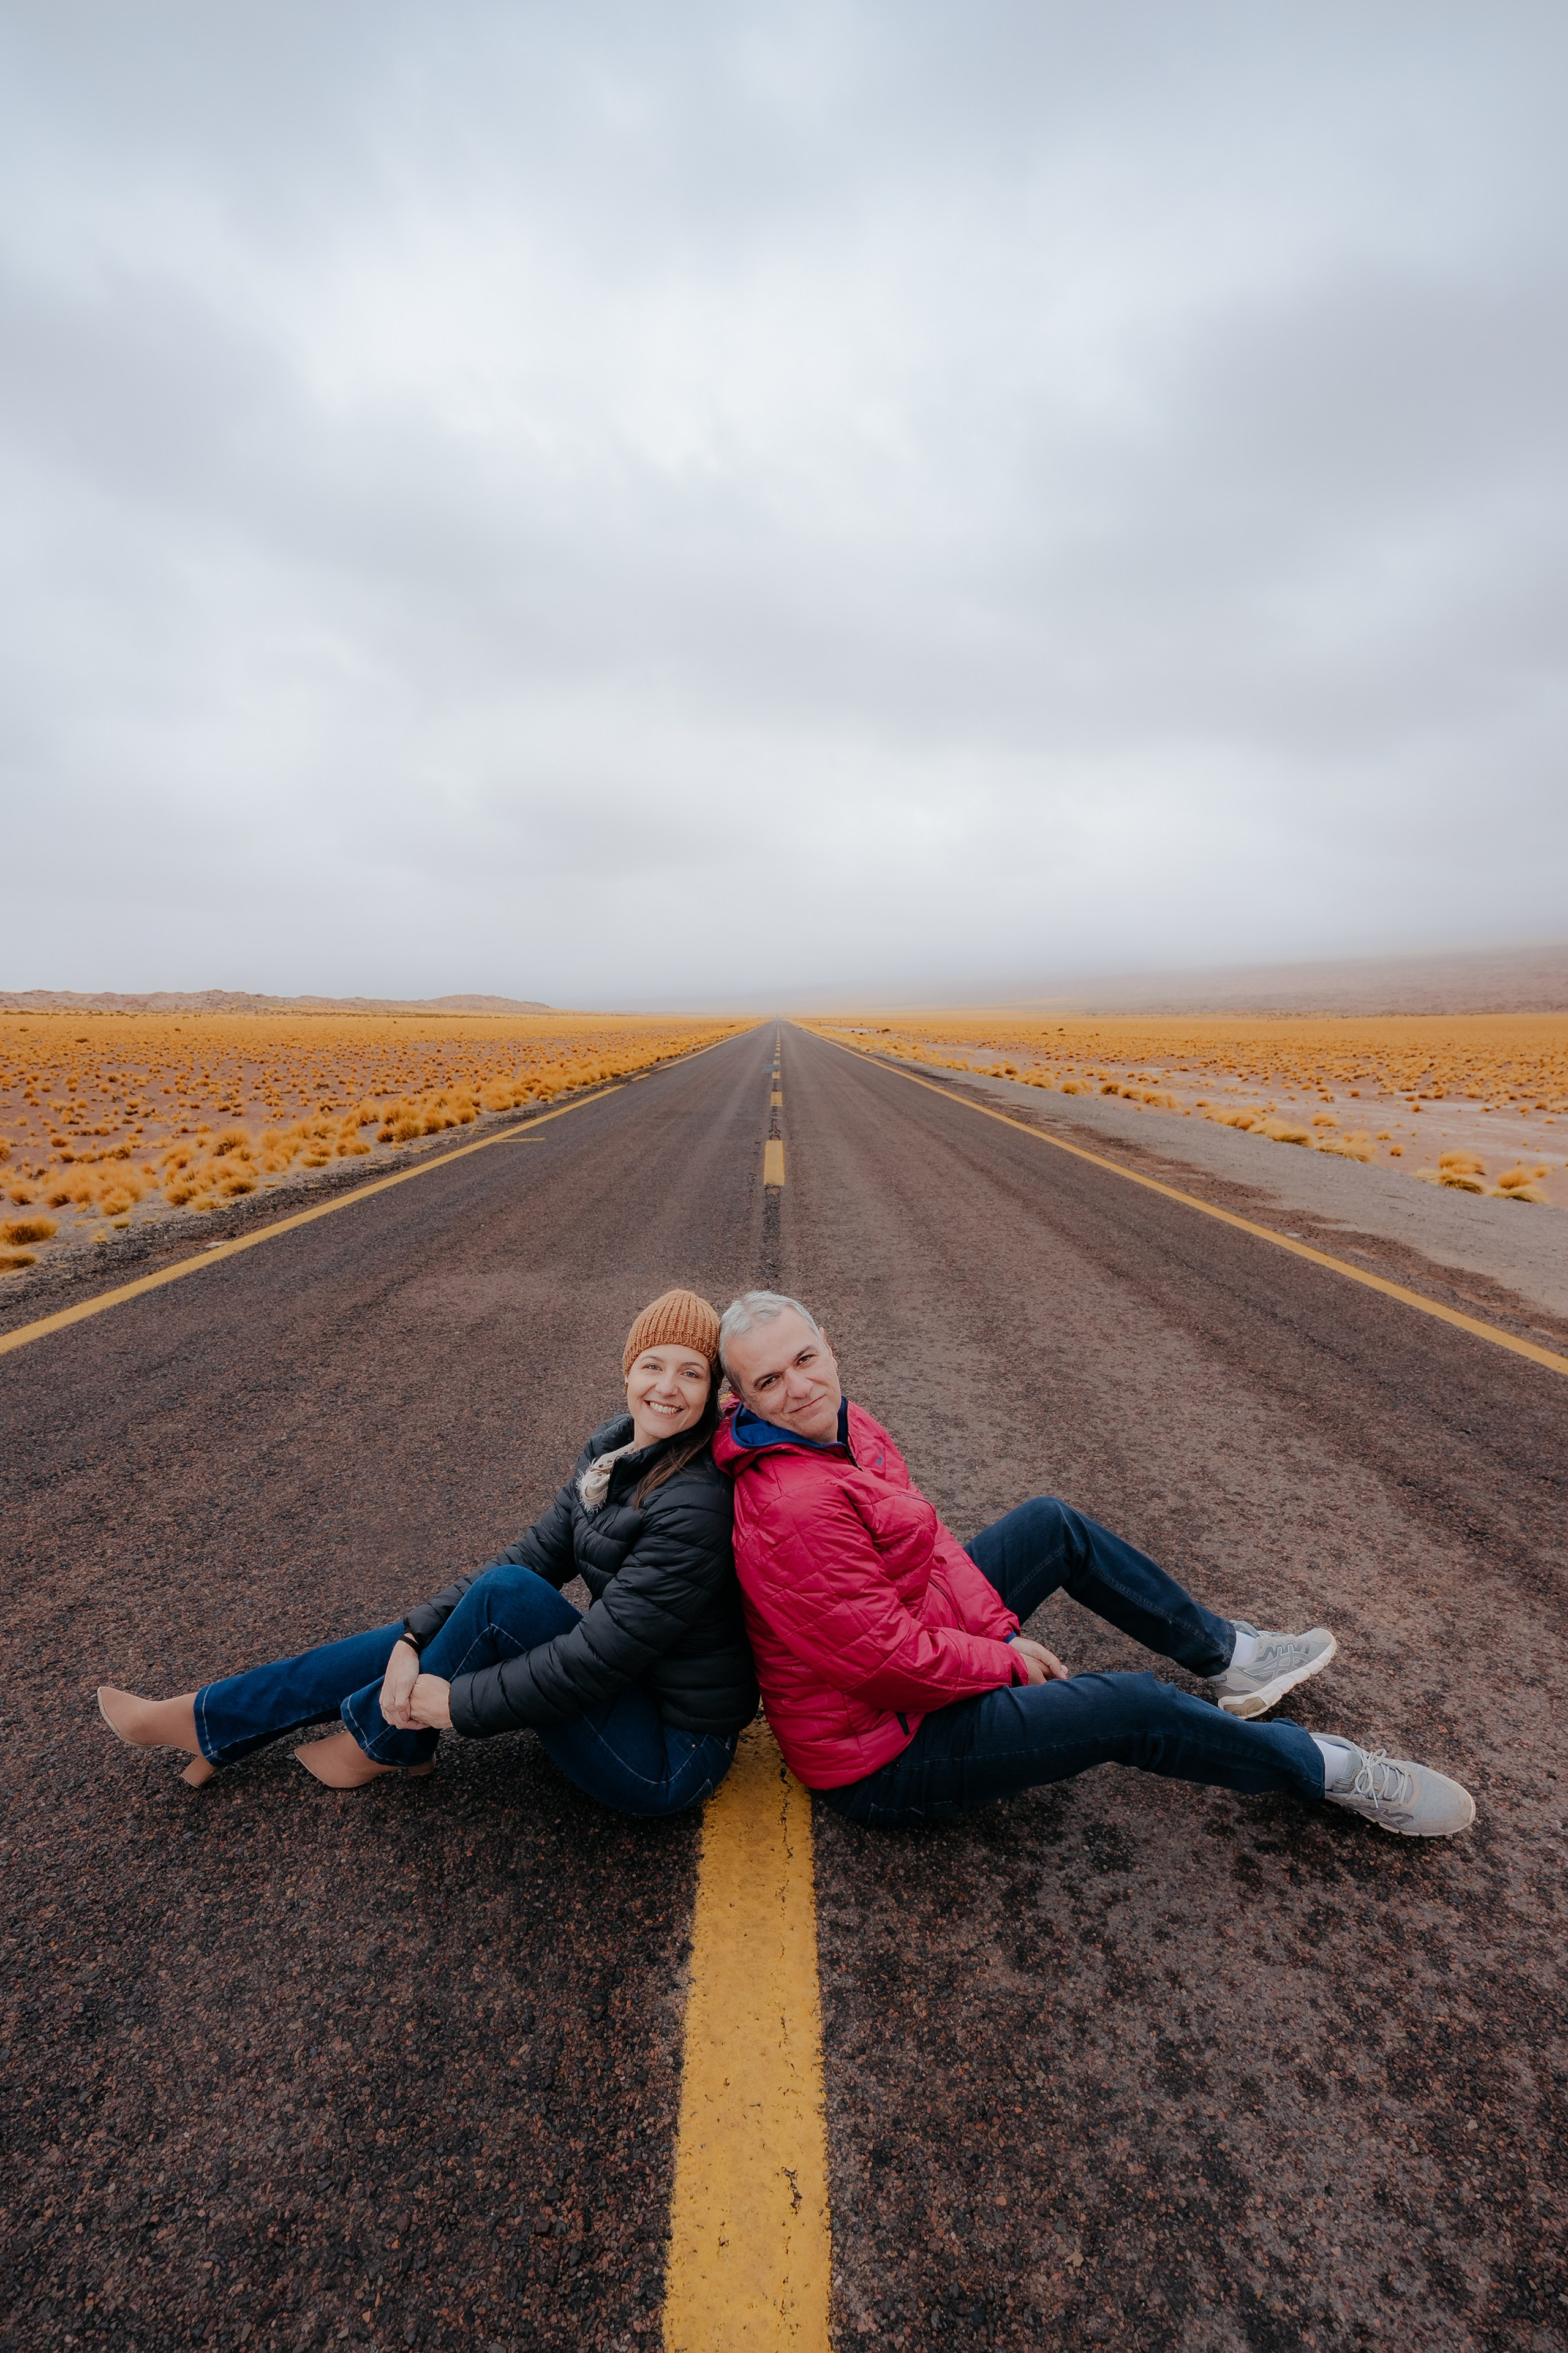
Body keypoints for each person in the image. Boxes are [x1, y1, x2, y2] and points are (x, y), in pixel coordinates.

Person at [712, 1290, 1475, 1838]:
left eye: (804, 1358)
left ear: (828, 1344)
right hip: (883, 1750)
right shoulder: (792, 1502)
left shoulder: (842, 1423)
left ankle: (1231, 1659)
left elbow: (932, 1540)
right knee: (1128, 1708)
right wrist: (1002, 1663)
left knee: (1052, 1525)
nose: (799, 1387)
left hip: (916, 1650)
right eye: (769, 1381)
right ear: (743, 1398)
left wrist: (996, 1633)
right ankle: (1326, 1769)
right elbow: (881, 1664)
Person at [99, 1290, 758, 1818]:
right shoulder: (613, 1453)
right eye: (653, 1364)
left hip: (668, 1755)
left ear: (711, 1393)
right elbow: (531, 1555)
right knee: (493, 1591)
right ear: (627, 1370)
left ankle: (385, 1738)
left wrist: (455, 1705)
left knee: (504, 1598)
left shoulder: (693, 1501)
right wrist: (415, 1635)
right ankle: (213, 1715)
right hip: (630, 1693)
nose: (667, 1387)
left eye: (690, 1372)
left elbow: (597, 1660)